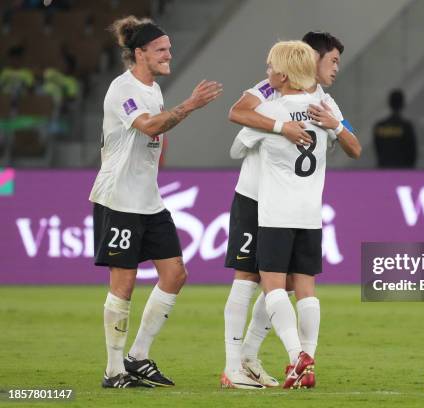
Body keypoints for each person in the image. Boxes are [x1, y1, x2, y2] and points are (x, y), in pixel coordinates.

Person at [221, 32, 361, 389]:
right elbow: (237, 110)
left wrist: (328, 126)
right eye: (332, 61)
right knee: (272, 281)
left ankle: (269, 357)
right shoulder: (282, 92)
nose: (335, 69)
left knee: (270, 282)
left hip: (275, 204)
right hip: (269, 199)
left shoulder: (310, 102)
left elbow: (237, 142)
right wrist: (289, 127)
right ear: (309, 59)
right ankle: (238, 363)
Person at [89, 15, 222, 388]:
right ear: (139, 53)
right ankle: (113, 371)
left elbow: (154, 135)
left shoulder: (152, 90)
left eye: (169, 49)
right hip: (118, 199)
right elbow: (149, 126)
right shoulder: (122, 89)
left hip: (148, 199)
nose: (169, 55)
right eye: (161, 50)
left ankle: (138, 357)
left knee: (175, 274)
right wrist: (191, 104)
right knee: (124, 283)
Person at [373, 89, 417, 168]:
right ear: (402, 104)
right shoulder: (406, 127)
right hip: (402, 170)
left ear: (389, 103)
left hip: (384, 169)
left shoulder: (380, 126)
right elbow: (412, 152)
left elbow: (378, 150)